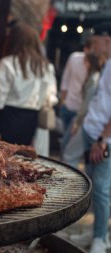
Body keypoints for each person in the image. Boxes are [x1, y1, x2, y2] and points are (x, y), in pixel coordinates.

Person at [0, 22, 57, 145]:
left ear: (12, 40)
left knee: (0, 156)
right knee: (21, 158)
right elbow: (50, 98)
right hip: (31, 121)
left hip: (8, 119)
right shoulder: (46, 67)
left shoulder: (7, 64)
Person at [80, 22, 111, 253]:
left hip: (103, 138)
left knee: (100, 188)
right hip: (90, 132)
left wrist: (103, 140)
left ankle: (100, 238)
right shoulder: (108, 63)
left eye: (97, 38)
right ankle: (97, 233)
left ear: (107, 39)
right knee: (92, 185)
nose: (94, 43)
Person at [62, 53, 103, 167]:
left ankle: (68, 182)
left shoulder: (94, 78)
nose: (84, 63)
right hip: (87, 121)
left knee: (69, 154)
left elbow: (86, 105)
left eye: (86, 60)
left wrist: (77, 123)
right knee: (70, 150)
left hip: (86, 122)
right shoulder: (95, 77)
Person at [59, 40, 93, 153]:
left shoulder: (96, 67)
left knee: (66, 144)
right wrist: (62, 101)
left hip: (80, 113)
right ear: (85, 49)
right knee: (65, 141)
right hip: (67, 106)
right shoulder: (74, 58)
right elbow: (66, 78)